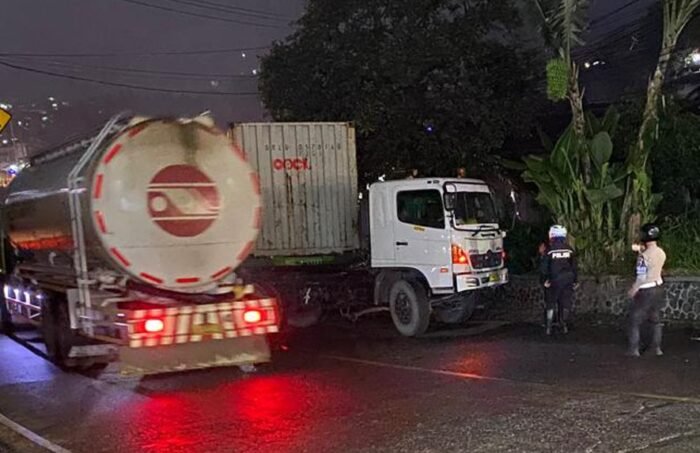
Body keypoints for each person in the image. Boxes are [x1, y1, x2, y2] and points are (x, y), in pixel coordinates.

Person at [627, 223, 666, 357]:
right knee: (655, 320)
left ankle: (634, 349)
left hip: (645, 289)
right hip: (658, 286)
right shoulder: (661, 252)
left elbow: (641, 276)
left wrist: (634, 288)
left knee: (634, 320)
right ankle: (656, 348)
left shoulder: (643, 256)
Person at [539, 225, 578, 335]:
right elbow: (574, 266)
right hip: (567, 280)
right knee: (565, 302)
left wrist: (544, 280)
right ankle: (564, 326)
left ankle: (548, 327)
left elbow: (544, 267)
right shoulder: (569, 249)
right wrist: (575, 280)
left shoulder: (549, 251)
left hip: (553, 280)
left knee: (550, 303)